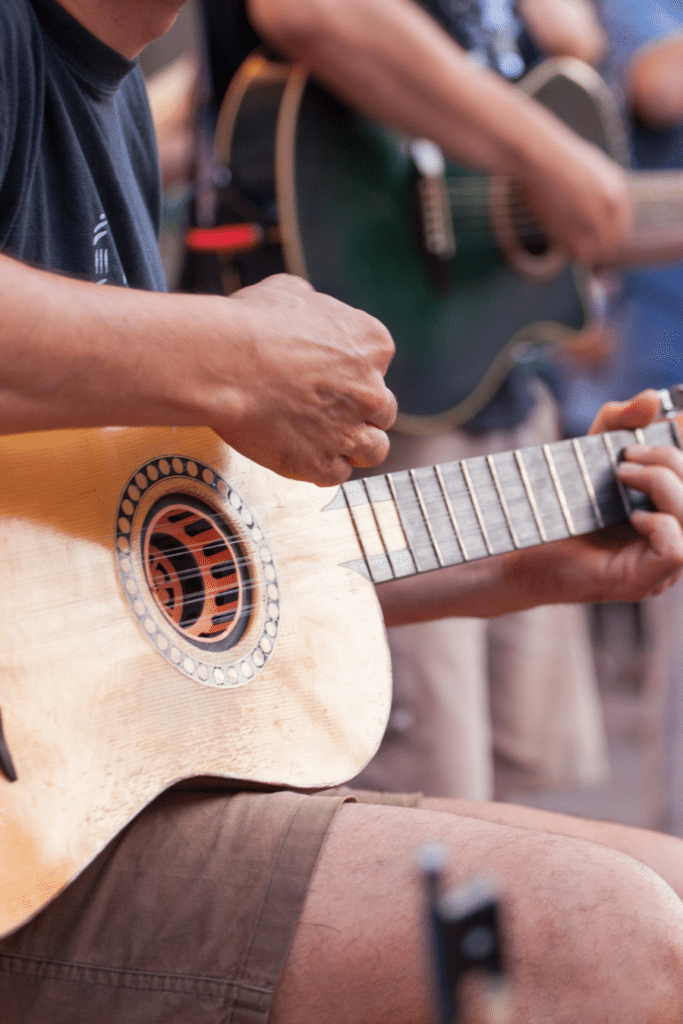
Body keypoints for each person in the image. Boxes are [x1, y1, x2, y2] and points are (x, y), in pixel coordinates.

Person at [4, 2, 683, 1023]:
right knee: (607, 934)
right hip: (46, 860)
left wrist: (524, 564)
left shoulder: (116, 99)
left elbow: (137, 593)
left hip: (82, 814)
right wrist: (222, 352)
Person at [195, 0, 614, 799]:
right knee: (429, 812)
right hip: (368, 379)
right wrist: (549, 158)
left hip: (492, 372)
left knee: (536, 800)